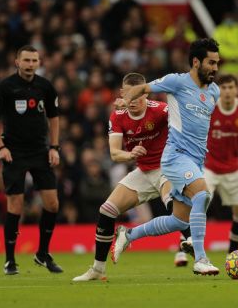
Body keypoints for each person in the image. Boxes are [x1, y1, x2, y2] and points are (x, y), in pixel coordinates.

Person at [111, 38, 221, 275]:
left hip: (196, 160)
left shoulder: (214, 91)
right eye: (211, 63)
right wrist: (126, 99)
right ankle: (201, 259)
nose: (215, 68)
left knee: (179, 221)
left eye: (217, 63)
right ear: (195, 61)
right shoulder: (176, 82)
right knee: (202, 194)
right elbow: (142, 88)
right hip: (175, 157)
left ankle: (129, 234)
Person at [72, 73, 191, 281]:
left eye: (139, 94)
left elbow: (185, 124)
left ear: (146, 93)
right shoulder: (118, 116)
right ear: (122, 94)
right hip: (143, 172)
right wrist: (131, 154)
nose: (134, 100)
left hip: (167, 168)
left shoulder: (161, 111)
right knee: (107, 211)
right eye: (129, 94)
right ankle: (98, 269)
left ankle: (194, 249)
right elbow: (115, 153)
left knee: (175, 208)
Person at [0, 45, 62, 275]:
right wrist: (1, 147)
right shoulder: (5, 87)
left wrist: (54, 147)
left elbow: (54, 117)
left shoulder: (45, 86)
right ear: (17, 61)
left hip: (40, 151)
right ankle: (10, 260)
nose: (30, 64)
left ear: (39, 62)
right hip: (14, 152)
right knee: (15, 206)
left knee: (52, 204)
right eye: (26, 60)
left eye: (34, 60)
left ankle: (42, 254)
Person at [203, 74, 238, 253]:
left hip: (232, 168)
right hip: (208, 166)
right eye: (223, 88)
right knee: (196, 203)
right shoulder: (209, 107)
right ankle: (184, 246)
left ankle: (232, 254)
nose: (227, 91)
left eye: (230, 87)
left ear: (237, 89)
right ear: (218, 90)